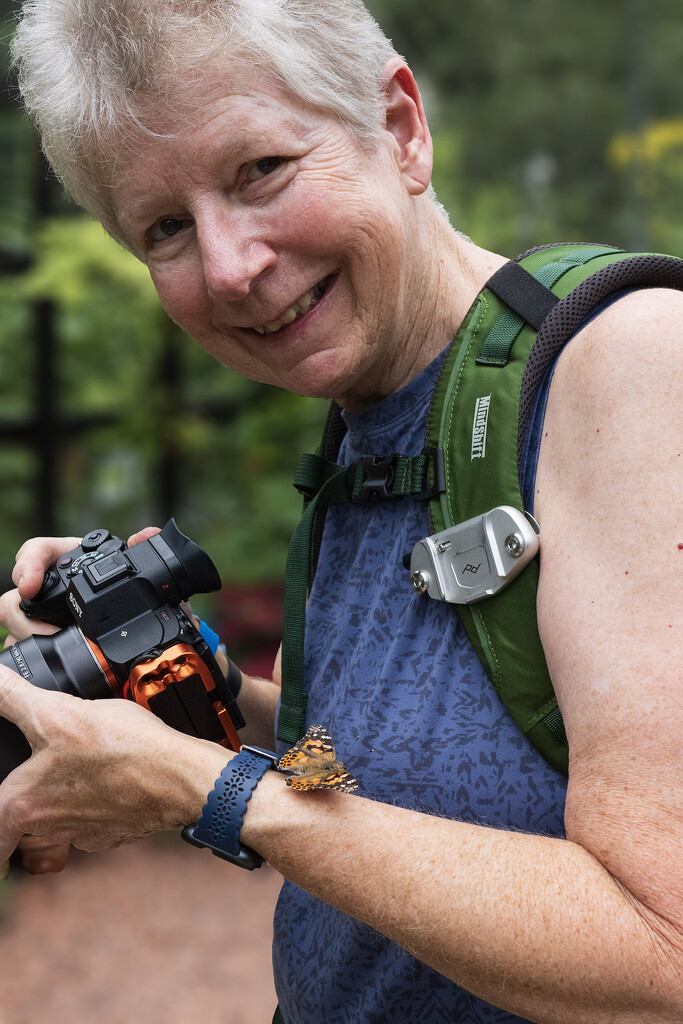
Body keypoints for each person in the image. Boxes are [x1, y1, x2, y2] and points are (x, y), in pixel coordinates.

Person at [0, 1, 681, 1021]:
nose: (231, 266)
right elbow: (382, 771)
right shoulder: (368, 432)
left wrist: (208, 792)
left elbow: (659, 949)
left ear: (399, 126)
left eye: (260, 170)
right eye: (166, 228)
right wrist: (184, 695)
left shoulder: (624, 367)